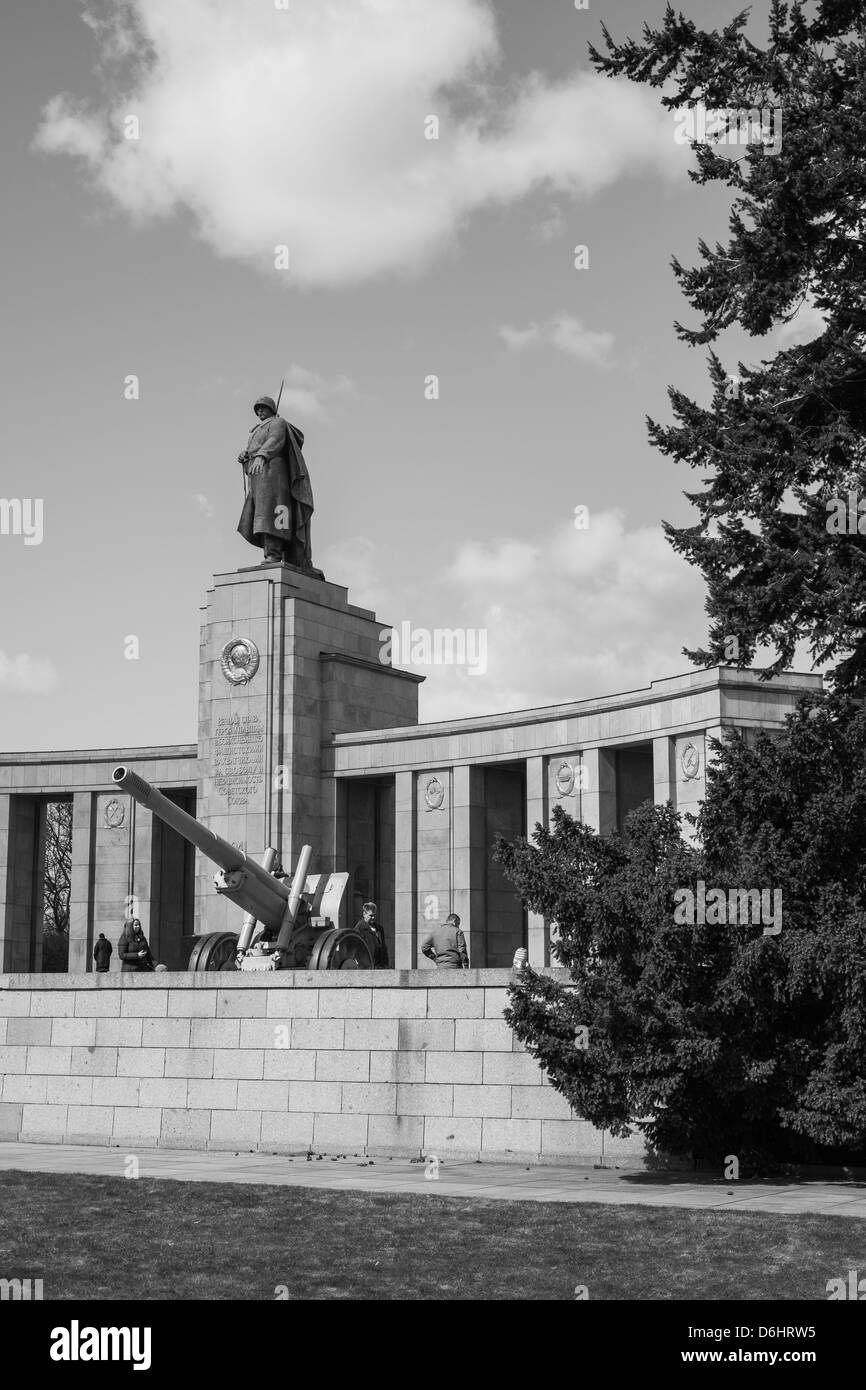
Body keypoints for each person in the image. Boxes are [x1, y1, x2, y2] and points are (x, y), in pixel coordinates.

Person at [237, 395, 316, 568]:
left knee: (270, 513)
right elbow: (253, 449)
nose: (259, 411)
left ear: (271, 408)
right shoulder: (256, 430)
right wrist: (245, 455)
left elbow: (275, 440)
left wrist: (261, 455)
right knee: (260, 515)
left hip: (273, 473)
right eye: (257, 408)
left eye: (263, 407)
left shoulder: (277, 423)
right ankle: (269, 552)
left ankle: (274, 553)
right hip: (258, 477)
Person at [354, 901, 389, 968]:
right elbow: (356, 950)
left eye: (374, 915)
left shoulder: (380, 928)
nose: (373, 918)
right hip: (367, 967)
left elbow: (384, 947)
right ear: (364, 914)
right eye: (371, 915)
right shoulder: (359, 928)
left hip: (380, 967)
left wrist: (386, 964)